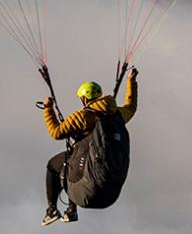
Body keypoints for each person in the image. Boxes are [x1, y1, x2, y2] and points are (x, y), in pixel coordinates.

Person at [40, 68, 138, 225]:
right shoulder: (117, 115)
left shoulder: (83, 116)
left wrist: (48, 109)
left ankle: (52, 210)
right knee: (76, 161)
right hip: (110, 194)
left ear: (85, 99)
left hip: (87, 189)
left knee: (54, 165)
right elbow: (131, 107)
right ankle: (71, 211)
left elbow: (56, 132)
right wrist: (131, 81)